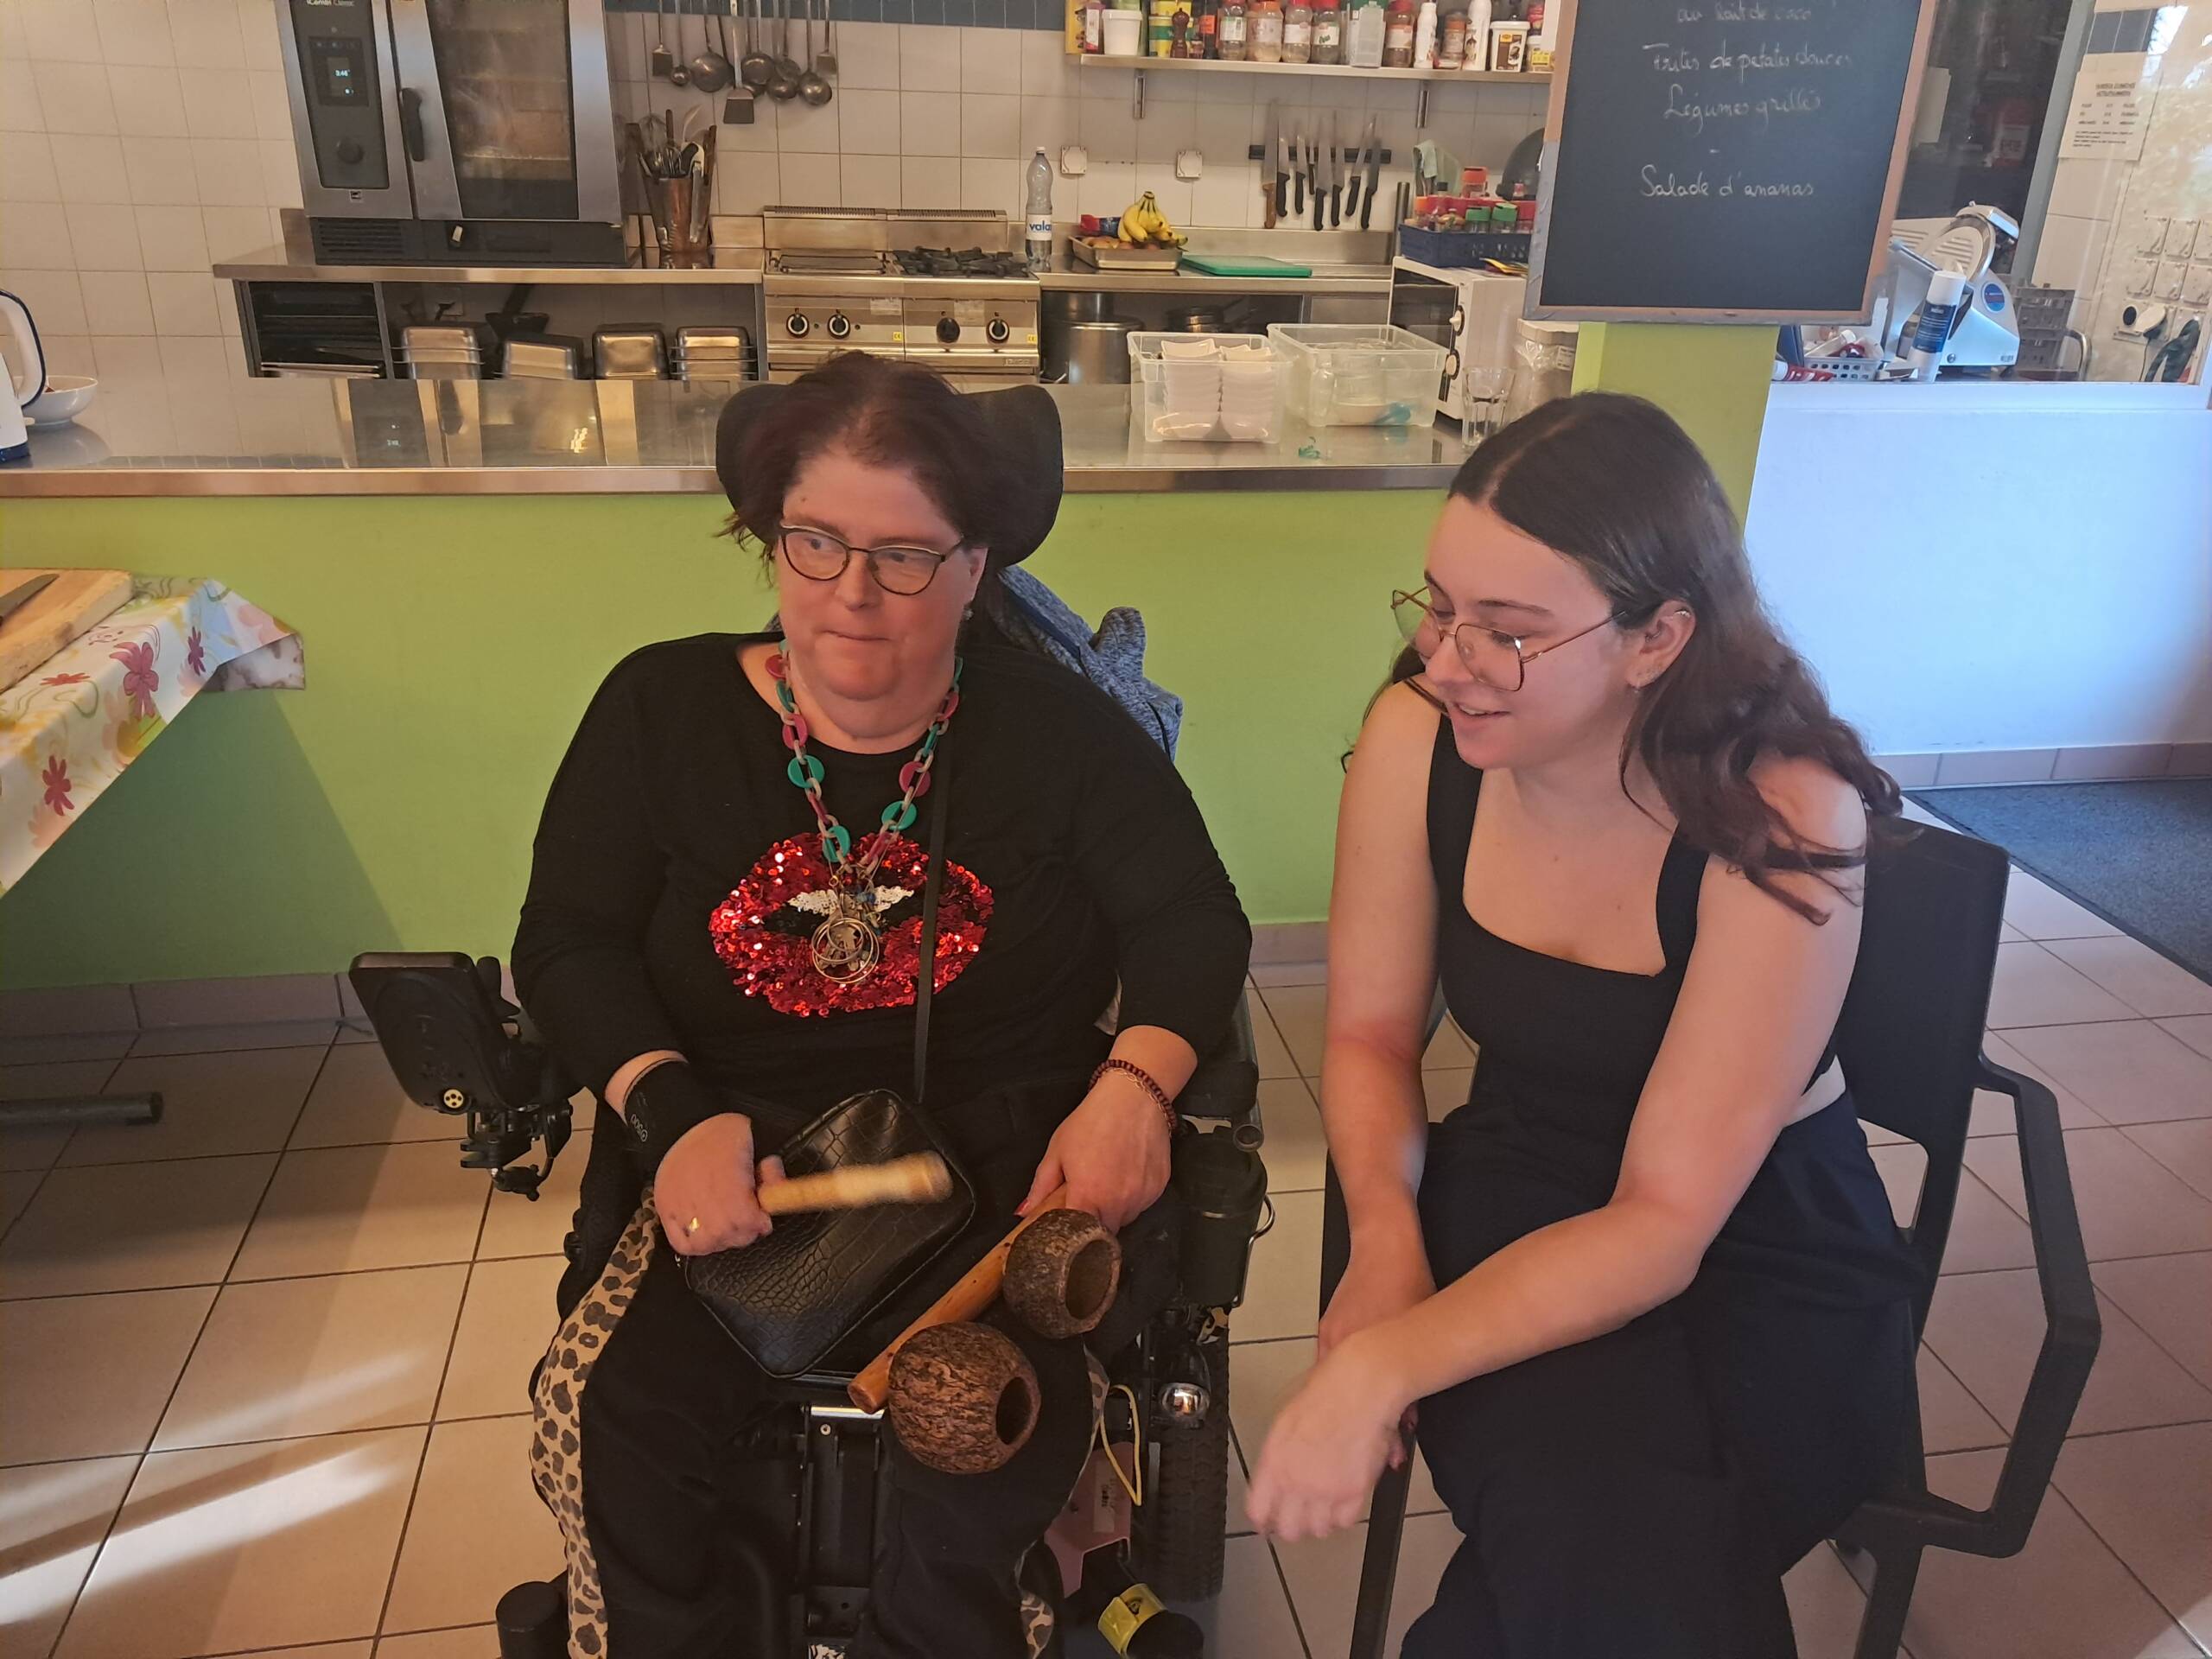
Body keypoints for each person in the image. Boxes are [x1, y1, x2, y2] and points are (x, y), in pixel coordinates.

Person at [512, 353, 1250, 1658]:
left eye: (904, 555)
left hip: (1003, 1163)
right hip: (739, 1152)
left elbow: (1192, 923)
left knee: (969, 1450)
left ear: (976, 567)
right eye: (816, 543)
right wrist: (669, 1114)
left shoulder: (1061, 736)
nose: (851, 594)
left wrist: (1136, 1089)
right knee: (620, 1422)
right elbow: (568, 942)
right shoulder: (659, 710)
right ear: (770, 540)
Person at [1246, 393, 1923, 1656]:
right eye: (1438, 606)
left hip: (1761, 1244)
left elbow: (1665, 1222)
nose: (1447, 661)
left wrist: (1385, 1366)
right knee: (1612, 1574)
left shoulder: (1780, 811)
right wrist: (1385, 1241)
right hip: (1522, 1186)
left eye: (1507, 633)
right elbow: (1371, 1038)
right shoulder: (1417, 737)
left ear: (1657, 638)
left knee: (1592, 1574)